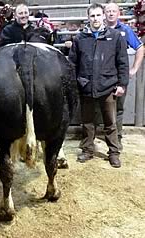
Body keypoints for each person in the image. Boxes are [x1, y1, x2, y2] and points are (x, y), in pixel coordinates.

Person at [68, 3, 129, 168]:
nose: (95, 18)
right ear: (88, 18)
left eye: (97, 15)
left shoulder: (116, 36)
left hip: (108, 86)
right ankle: (87, 150)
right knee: (87, 122)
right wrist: (75, 84)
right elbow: (72, 63)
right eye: (92, 16)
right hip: (86, 85)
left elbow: (122, 62)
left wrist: (122, 84)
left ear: (103, 16)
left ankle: (114, 152)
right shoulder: (80, 38)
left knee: (110, 122)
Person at [104, 1, 144, 150]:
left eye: (114, 11)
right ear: (104, 13)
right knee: (100, 107)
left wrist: (134, 69)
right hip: (103, 76)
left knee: (119, 108)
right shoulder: (100, 29)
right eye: (108, 11)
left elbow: (140, 48)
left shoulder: (125, 30)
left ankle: (117, 137)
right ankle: (100, 136)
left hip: (119, 76)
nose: (111, 13)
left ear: (118, 13)